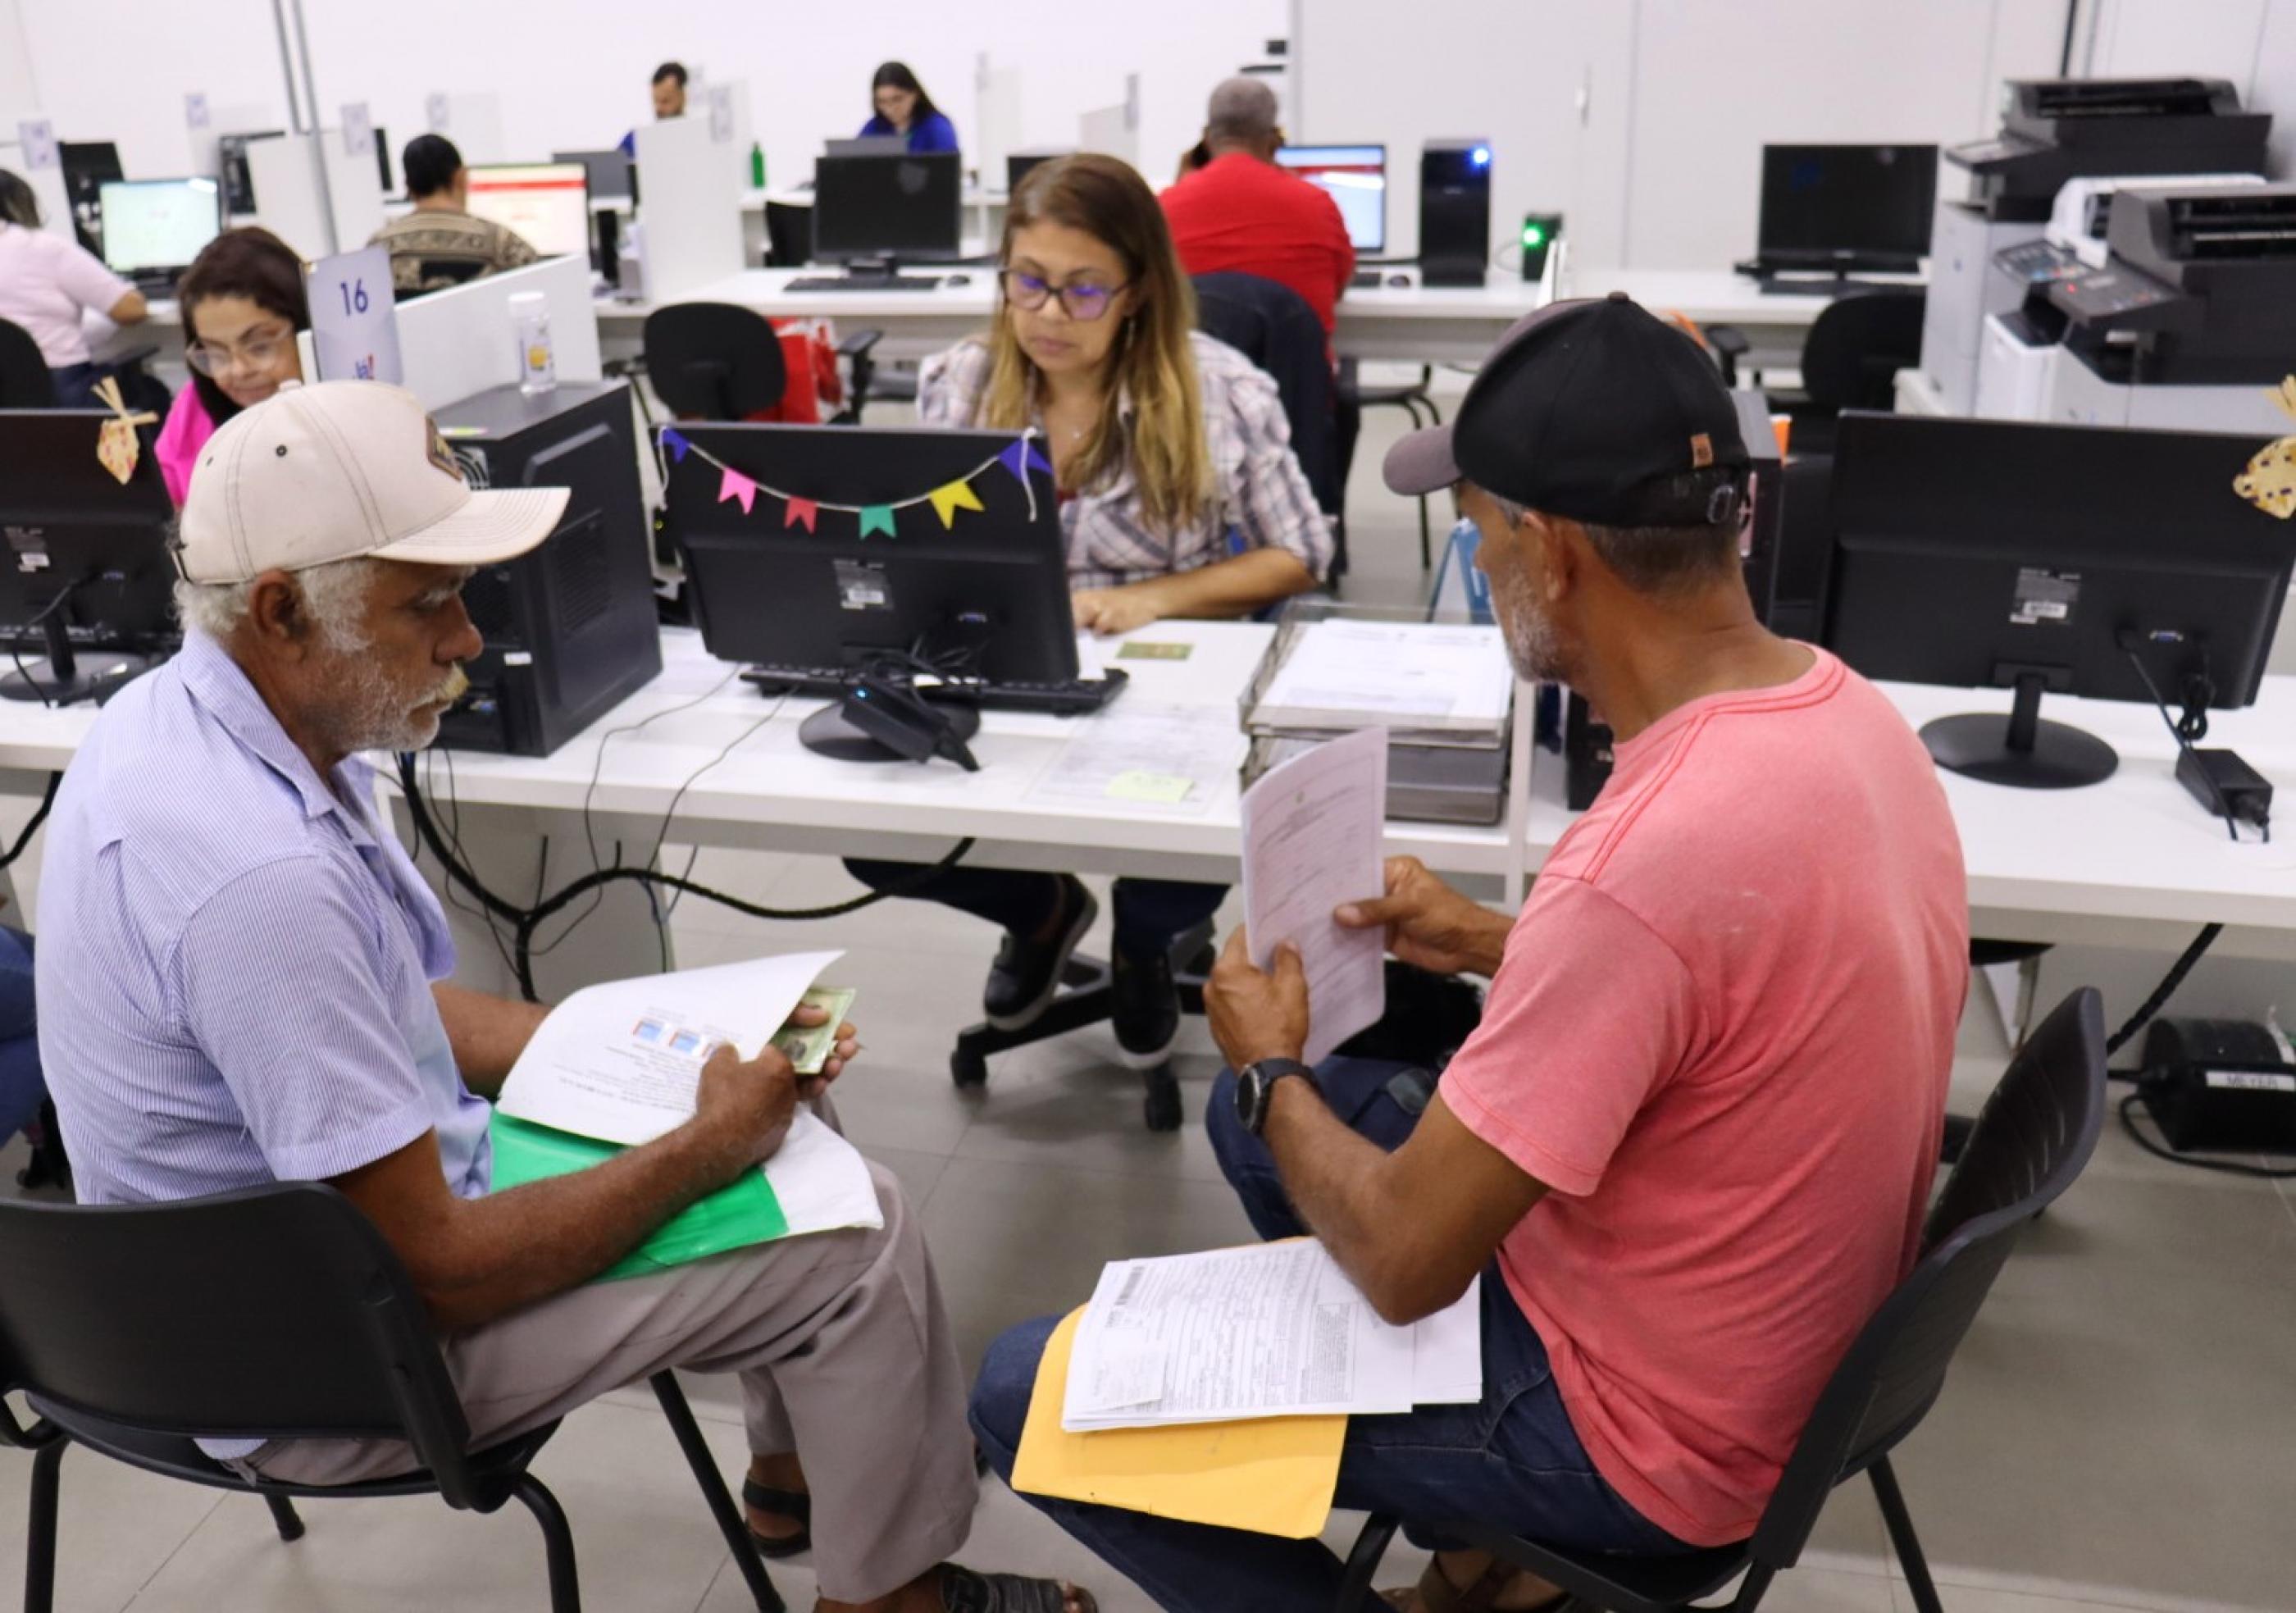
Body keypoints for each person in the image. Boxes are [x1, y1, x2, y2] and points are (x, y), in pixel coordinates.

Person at [967, 294, 1971, 1613]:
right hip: (1771, 1345)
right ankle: (1477, 1562)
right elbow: (1739, 985)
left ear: (1551, 552)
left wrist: (1274, 1064)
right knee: (1278, 1111)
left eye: (1482, 528)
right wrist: (1502, 936)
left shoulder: (1643, 860)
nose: (1476, 554)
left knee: (1025, 1392)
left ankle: (1477, 1541)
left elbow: (1401, 1259)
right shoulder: (1848, 716)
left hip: (1644, 1434)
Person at [34, 377, 1091, 1613]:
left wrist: (660, 1053)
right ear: (280, 610)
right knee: (856, 1227)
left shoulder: (182, 719)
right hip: (318, 1366)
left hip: (216, 1294)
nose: (470, 636)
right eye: (426, 600)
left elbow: (375, 1012)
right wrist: (702, 1145)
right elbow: (434, 1272)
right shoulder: (258, 876)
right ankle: (888, 1597)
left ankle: (803, 1471)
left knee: (767, 1095)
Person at [846, 153, 1329, 1068]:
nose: (1047, 315)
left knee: (1178, 843)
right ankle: (1041, 909)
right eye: (1026, 284)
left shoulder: (1219, 391)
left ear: (1139, 289)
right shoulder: (960, 379)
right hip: (998, 671)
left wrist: (1153, 597)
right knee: (863, 823)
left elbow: (1301, 550)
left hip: (1161, 693)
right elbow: (913, 541)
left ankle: (1148, 943)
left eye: (1082, 290)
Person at [1159, 78, 1354, 341]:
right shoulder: (1318, 205)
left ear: (1206, 139)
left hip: (1202, 380)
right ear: (1274, 141)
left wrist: (1181, 185)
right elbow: (1338, 289)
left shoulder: (1165, 209)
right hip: (1295, 380)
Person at [154, 227, 307, 506]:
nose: (238, 370)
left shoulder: (351, 413)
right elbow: (166, 505)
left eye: (260, 347)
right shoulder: (193, 409)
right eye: (216, 353)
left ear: (305, 329)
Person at [0, 169, 149, 407]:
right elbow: (130, 309)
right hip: (60, 391)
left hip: (11, 408)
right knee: (152, 392)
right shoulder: (41, 247)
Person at [368, 134, 540, 295]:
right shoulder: (501, 243)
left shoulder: (378, 249)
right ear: (460, 177)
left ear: (408, 185)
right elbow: (541, 287)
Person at [860, 62, 959, 154]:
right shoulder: (873, 128)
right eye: (882, 101)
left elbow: (947, 167)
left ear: (914, 94)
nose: (890, 109)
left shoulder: (936, 127)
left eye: (897, 99)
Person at [619, 61, 690, 157]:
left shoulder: (699, 138)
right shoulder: (636, 140)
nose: (658, 108)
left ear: (683, 97)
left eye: (665, 101)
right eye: (655, 101)